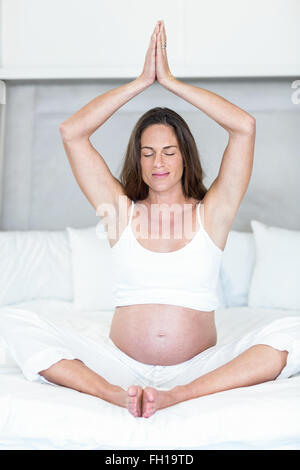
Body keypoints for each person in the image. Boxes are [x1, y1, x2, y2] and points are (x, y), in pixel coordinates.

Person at [1, 20, 299, 420]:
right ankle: (109, 394)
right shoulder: (119, 211)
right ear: (138, 160)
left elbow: (244, 127)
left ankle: (181, 396)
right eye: (148, 152)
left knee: (292, 333)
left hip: (199, 369)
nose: (158, 162)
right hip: (118, 366)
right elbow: (72, 131)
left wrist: (170, 82)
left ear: (184, 155)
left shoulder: (213, 212)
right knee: (14, 321)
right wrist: (142, 82)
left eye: (169, 151)